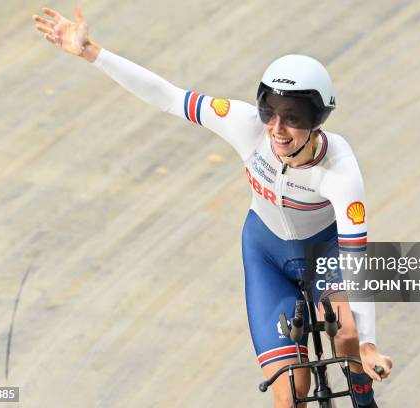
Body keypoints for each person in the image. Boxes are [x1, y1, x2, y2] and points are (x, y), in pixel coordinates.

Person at [32, 6, 392, 408]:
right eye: (270, 112)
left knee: (346, 335)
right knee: (292, 396)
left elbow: (356, 261)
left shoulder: (340, 170)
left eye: (292, 118)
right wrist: (91, 51)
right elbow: (169, 97)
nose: (276, 129)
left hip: (324, 254)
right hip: (267, 255)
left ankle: (361, 391)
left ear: (317, 120)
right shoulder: (244, 124)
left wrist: (369, 345)